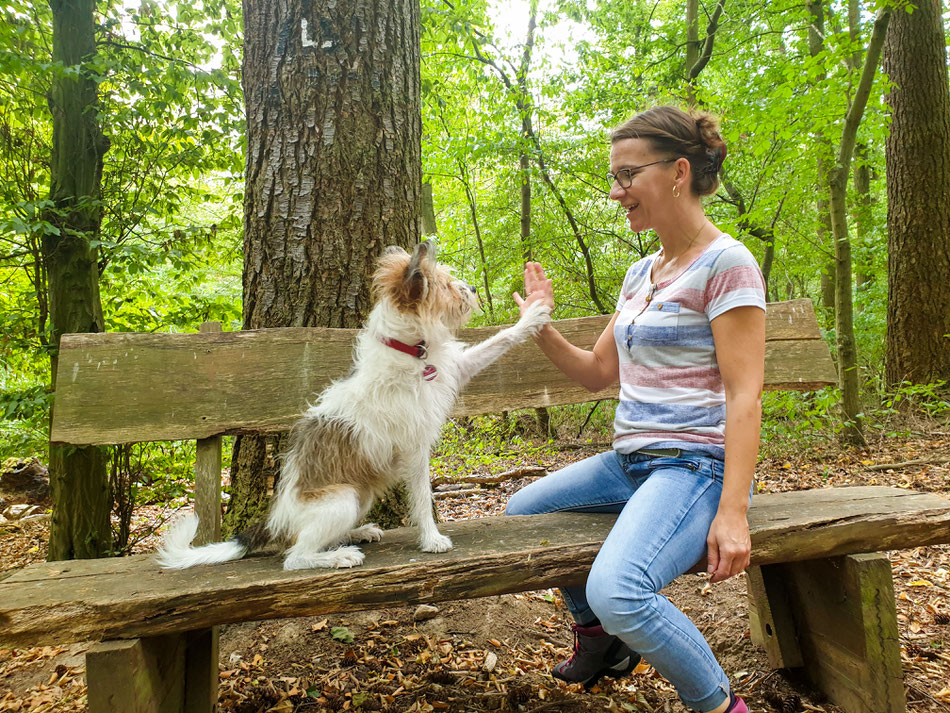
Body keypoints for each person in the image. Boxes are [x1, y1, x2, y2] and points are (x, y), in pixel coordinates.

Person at [505, 105, 765, 713]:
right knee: (523, 512)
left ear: (678, 172)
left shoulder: (727, 265)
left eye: (627, 176)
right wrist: (538, 326)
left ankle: (722, 705)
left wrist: (733, 513)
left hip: (694, 467)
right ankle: (601, 642)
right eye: (614, 179)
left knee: (620, 589)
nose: (617, 193)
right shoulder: (641, 274)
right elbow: (597, 373)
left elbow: (744, 394)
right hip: (632, 463)